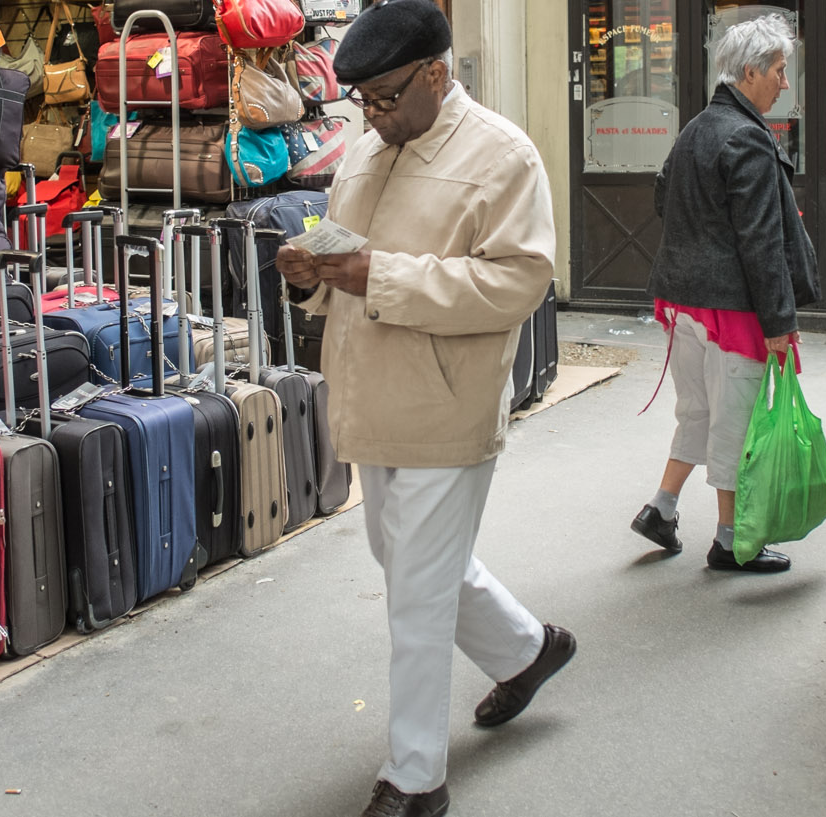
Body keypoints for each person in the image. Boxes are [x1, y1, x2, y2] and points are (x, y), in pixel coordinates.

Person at [274, 2, 574, 814]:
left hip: (448, 400)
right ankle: (525, 649)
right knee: (405, 558)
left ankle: (415, 779)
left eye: (382, 96)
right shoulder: (372, 148)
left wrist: (379, 275)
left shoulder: (503, 156)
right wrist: (311, 274)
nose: (370, 115)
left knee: (415, 591)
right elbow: (348, 255)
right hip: (371, 393)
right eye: (361, 100)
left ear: (437, 73)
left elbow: (519, 282)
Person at [629, 15, 822, 573]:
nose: (785, 84)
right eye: (781, 71)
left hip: (683, 300)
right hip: (731, 309)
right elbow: (761, 243)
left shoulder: (699, 126)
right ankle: (733, 542)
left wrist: (700, 241)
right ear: (752, 71)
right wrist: (781, 323)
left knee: (697, 411)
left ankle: (661, 509)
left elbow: (665, 196)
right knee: (733, 424)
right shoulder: (748, 137)